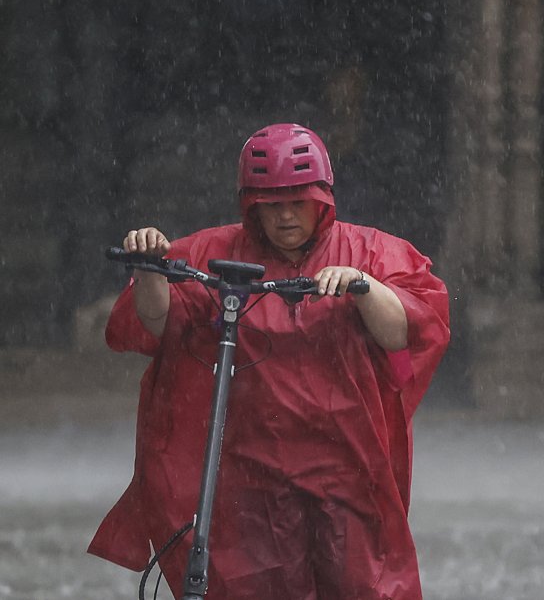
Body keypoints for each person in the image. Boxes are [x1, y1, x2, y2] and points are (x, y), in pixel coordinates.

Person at [88, 123, 451, 599]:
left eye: (297, 202)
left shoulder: (374, 252)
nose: (284, 218)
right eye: (270, 205)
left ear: (322, 199)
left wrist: (364, 286)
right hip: (251, 476)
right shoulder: (213, 253)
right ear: (249, 205)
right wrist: (150, 267)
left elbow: (410, 330)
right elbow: (160, 325)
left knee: (364, 589)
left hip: (347, 468)